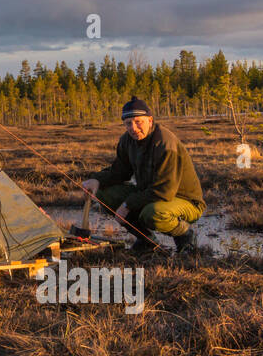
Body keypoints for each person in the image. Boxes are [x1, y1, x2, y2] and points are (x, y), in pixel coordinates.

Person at [81, 97, 205, 253]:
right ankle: (147, 241)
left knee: (152, 213)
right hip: (152, 195)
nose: (133, 128)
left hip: (185, 201)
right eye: (128, 123)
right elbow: (120, 172)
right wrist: (96, 180)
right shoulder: (127, 140)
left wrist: (127, 205)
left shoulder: (165, 143)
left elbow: (164, 191)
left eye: (138, 121)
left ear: (150, 120)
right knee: (105, 193)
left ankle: (185, 236)